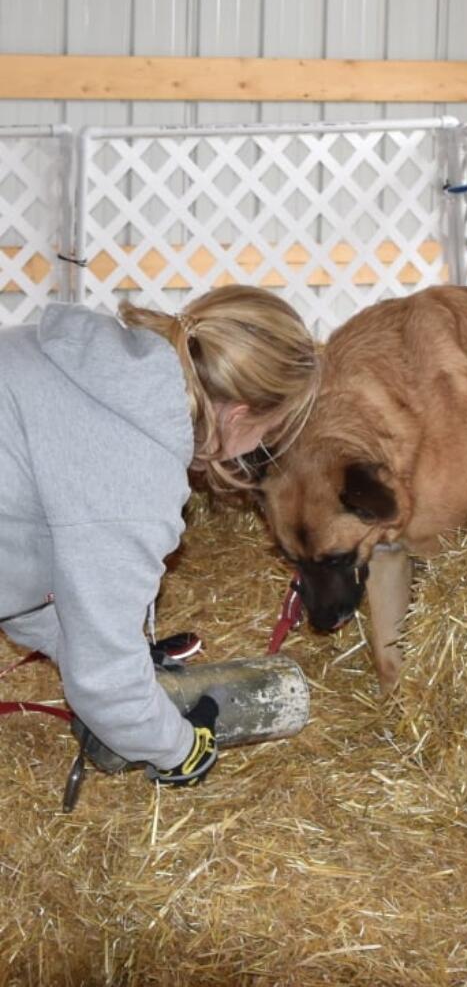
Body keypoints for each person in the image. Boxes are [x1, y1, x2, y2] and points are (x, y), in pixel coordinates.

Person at [0, 286, 318, 787]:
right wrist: (179, 748)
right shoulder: (134, 471)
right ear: (238, 416)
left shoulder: (89, 369)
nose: (258, 448)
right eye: (268, 432)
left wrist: (88, 637)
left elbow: (22, 546)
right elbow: (104, 683)